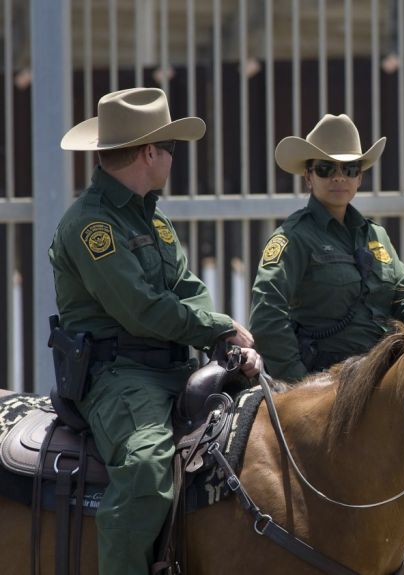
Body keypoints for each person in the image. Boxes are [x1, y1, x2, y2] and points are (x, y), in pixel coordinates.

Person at [50, 87, 262, 574]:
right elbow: (141, 309)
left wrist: (223, 341)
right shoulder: (91, 226)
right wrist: (220, 326)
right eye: (170, 147)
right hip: (119, 378)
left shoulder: (154, 218)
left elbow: (188, 288)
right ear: (149, 152)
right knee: (146, 471)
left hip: (176, 368)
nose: (172, 157)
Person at [249, 114, 404, 381]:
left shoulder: (377, 236)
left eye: (349, 169)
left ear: (359, 177)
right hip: (323, 383)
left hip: (381, 380)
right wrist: (299, 383)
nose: (339, 177)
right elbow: (266, 315)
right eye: (326, 169)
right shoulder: (294, 237)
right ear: (308, 177)